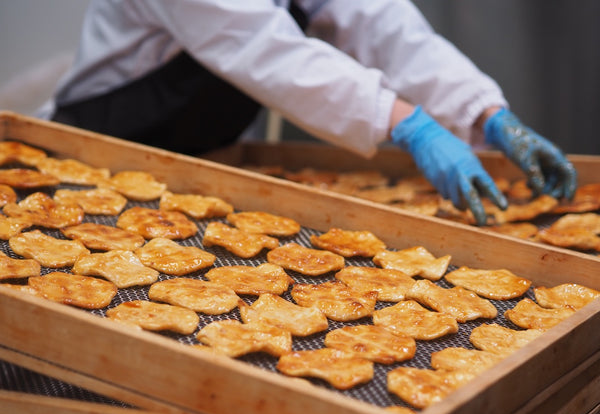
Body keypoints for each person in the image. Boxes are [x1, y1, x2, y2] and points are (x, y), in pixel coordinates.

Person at [38, 0, 577, 225]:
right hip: (90, 158)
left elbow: (379, 20)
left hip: (206, 166)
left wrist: (483, 111)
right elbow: (266, 51)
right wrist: (410, 124)